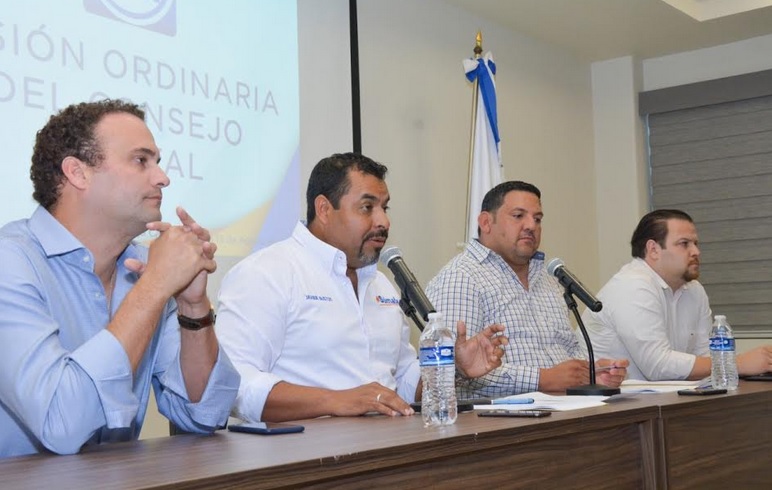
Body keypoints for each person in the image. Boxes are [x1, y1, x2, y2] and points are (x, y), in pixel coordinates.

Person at [0, 100, 240, 458]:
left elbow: (206, 414)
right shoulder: (11, 262)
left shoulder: (143, 265)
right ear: (78, 173)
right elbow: (61, 425)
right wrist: (155, 287)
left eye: (157, 162)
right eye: (141, 160)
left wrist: (192, 304)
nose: (162, 178)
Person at [216, 152, 507, 423]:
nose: (384, 221)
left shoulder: (381, 285)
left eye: (384, 207)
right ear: (324, 209)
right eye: (367, 207)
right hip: (298, 453)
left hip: (385, 445)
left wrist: (452, 366)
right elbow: (234, 385)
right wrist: (336, 400)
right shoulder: (265, 274)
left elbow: (402, 384)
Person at [426, 181, 628, 398]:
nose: (531, 225)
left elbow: (568, 349)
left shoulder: (548, 280)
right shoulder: (460, 278)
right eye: (518, 216)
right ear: (486, 222)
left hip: (566, 405)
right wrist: (542, 379)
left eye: (537, 219)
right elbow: (448, 373)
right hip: (501, 414)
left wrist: (592, 374)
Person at [583, 209, 772, 381]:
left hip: (661, 400)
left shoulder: (694, 290)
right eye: (684, 244)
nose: (696, 251)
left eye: (695, 243)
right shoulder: (632, 285)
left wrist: (755, 364)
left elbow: (706, 357)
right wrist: (736, 363)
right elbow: (657, 366)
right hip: (606, 402)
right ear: (654, 250)